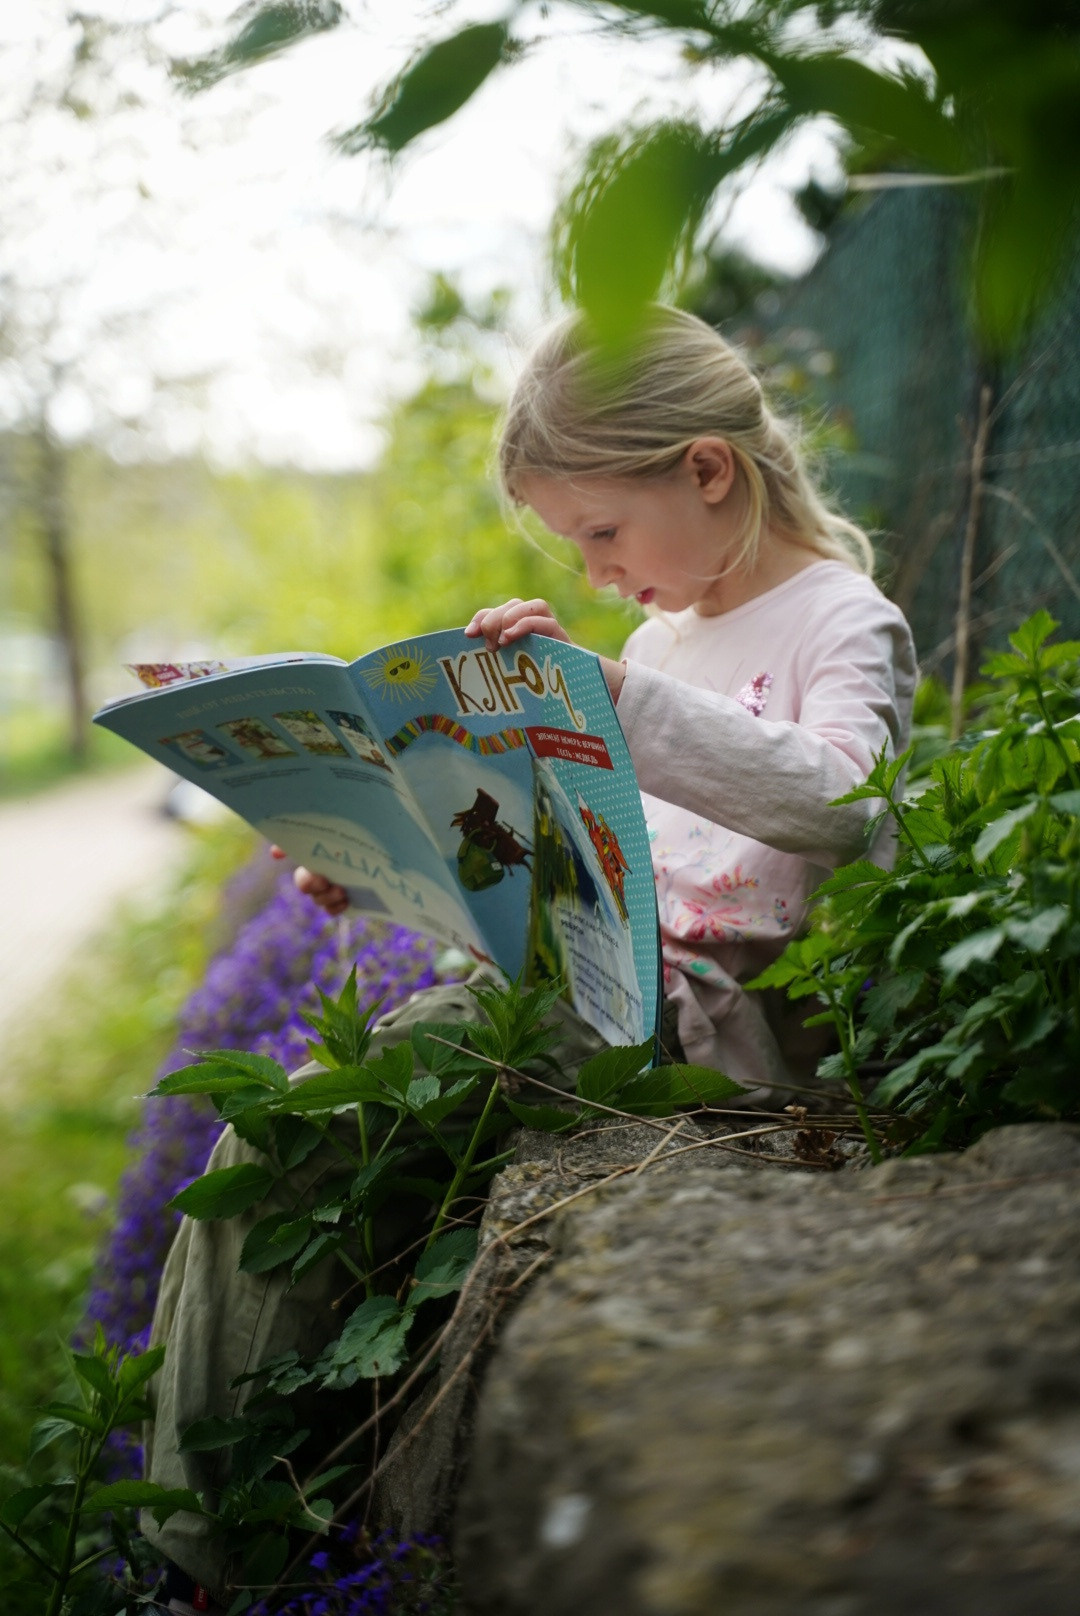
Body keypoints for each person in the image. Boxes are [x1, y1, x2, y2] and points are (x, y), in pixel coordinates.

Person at [145, 305, 916, 1611]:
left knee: (298, 1140)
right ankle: (204, 1523)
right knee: (276, 1139)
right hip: (584, 981)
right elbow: (588, 853)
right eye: (580, 551)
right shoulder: (666, 637)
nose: (603, 578)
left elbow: (850, 803)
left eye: (603, 535)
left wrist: (615, 695)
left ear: (708, 470)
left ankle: (192, 1566)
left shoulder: (841, 622)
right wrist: (387, 854)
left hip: (694, 1025)